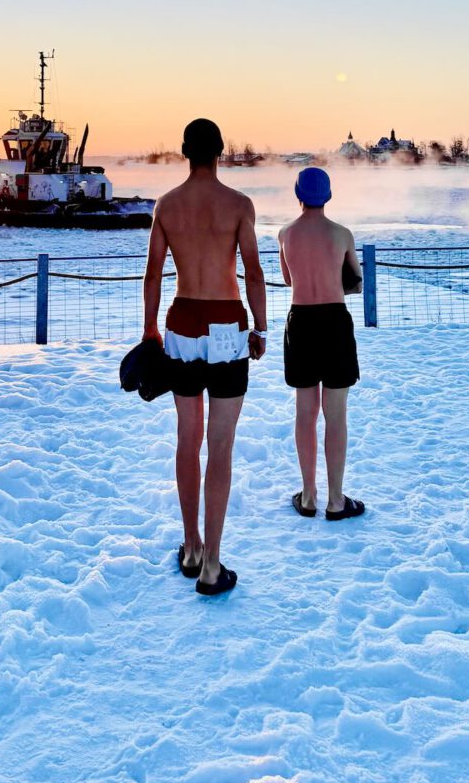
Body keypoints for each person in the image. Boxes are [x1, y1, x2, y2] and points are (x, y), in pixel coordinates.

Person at [143, 119, 267, 596]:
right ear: (220, 152)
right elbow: (253, 273)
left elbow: (153, 275)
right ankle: (213, 563)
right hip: (227, 324)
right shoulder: (239, 205)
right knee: (221, 446)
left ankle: (192, 545)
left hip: (183, 323)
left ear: (183, 152)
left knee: (187, 439)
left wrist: (150, 329)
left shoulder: (167, 205)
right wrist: (259, 328)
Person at [278, 167, 365, 521]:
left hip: (301, 321)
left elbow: (288, 279)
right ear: (328, 195)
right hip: (334, 323)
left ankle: (309, 494)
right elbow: (355, 281)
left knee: (305, 414)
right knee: (336, 415)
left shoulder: (285, 234)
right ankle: (337, 499)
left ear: (298, 194)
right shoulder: (342, 234)